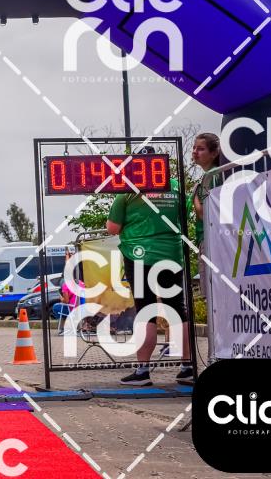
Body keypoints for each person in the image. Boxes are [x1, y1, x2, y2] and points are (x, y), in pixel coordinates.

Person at [106, 149, 192, 386]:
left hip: (138, 255)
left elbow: (112, 228)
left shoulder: (127, 190)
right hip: (171, 254)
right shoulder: (176, 187)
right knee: (178, 309)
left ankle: (143, 371)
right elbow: (185, 217)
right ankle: (187, 367)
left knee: (146, 310)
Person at [190, 133, 222, 298]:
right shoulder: (211, 175)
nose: (195, 152)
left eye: (201, 149)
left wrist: (195, 196)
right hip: (211, 238)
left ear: (214, 153)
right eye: (194, 148)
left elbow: (204, 213)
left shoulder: (212, 176)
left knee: (210, 294)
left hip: (210, 239)